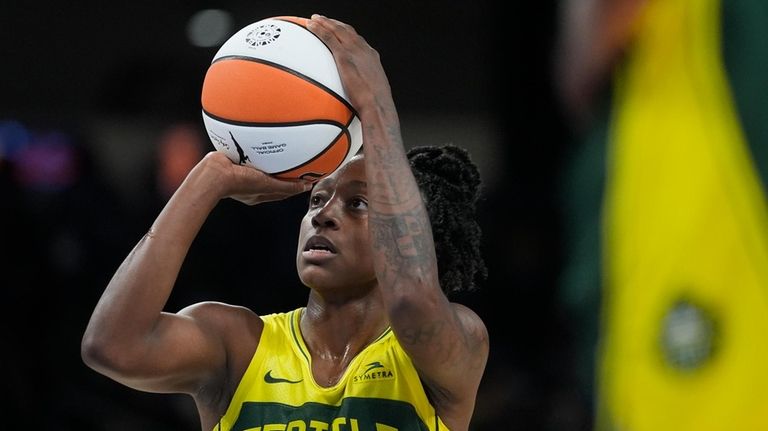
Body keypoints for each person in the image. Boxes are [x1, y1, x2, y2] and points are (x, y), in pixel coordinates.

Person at [81, 14, 488, 431]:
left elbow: (411, 300)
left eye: (359, 203)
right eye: (316, 199)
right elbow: (111, 347)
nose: (324, 215)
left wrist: (377, 108)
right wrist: (209, 178)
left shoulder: (453, 345)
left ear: (419, 236)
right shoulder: (238, 345)